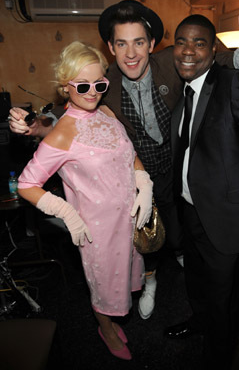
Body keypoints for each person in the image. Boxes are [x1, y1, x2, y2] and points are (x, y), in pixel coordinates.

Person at [8, 1, 239, 321]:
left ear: (152, 45)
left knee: (178, 235)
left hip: (177, 169)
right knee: (145, 240)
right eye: (121, 43)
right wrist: (33, 125)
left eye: (139, 42)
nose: (131, 53)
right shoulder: (105, 80)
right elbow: (65, 115)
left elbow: (216, 57)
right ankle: (151, 281)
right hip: (136, 175)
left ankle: (184, 263)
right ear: (111, 48)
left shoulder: (171, 62)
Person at [17, 41, 154, 361]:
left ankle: (111, 320)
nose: (92, 92)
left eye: (99, 84)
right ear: (66, 87)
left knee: (126, 275)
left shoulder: (106, 112)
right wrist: (67, 213)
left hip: (129, 220)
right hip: (97, 231)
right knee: (104, 286)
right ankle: (105, 328)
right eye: (82, 85)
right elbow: (26, 184)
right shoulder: (62, 133)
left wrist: (143, 182)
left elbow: (129, 154)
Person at [169, 14, 239, 369]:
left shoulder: (236, 82)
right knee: (197, 285)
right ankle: (199, 322)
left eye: (199, 43)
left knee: (223, 301)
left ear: (214, 49)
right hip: (191, 211)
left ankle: (219, 357)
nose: (188, 51)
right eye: (181, 42)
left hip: (227, 216)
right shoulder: (181, 87)